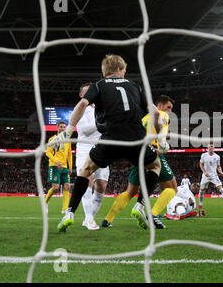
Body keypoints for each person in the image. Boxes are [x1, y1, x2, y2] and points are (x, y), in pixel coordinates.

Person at [54, 54, 164, 232]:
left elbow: (82, 104)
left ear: (105, 71)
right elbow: (156, 114)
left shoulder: (99, 85)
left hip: (110, 137)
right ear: (120, 69)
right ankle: (140, 206)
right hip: (136, 138)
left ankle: (69, 213)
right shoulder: (134, 86)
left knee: (86, 171)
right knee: (155, 167)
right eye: (125, 70)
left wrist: (68, 130)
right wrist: (160, 139)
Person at [101, 95, 177, 229]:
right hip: (153, 152)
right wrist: (161, 145)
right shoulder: (162, 115)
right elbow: (161, 127)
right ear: (159, 106)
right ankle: (152, 214)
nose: (169, 111)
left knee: (130, 191)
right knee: (172, 187)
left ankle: (107, 220)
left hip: (138, 152)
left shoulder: (143, 119)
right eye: (168, 107)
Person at [75, 82, 110, 230]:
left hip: (102, 148)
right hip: (85, 148)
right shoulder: (80, 109)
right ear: (81, 95)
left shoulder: (102, 108)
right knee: (87, 180)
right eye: (87, 92)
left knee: (102, 185)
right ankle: (89, 219)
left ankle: (89, 218)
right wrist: (102, 121)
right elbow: (84, 130)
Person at [45, 121, 72, 214]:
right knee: (56, 188)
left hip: (64, 167)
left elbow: (69, 154)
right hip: (54, 166)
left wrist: (70, 167)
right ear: (57, 128)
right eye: (61, 127)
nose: (62, 129)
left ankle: (65, 209)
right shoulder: (52, 139)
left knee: (67, 186)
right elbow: (48, 152)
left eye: (64, 127)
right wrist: (56, 162)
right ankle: (45, 202)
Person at [197, 143, 223, 210]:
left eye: (212, 146)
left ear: (214, 148)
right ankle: (200, 204)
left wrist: (221, 172)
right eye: (210, 146)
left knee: (221, 189)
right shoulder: (204, 155)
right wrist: (204, 172)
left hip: (214, 175)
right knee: (201, 190)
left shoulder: (217, 157)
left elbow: (218, 167)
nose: (211, 148)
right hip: (205, 176)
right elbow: (201, 164)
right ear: (208, 148)